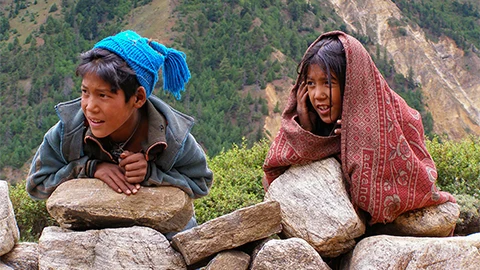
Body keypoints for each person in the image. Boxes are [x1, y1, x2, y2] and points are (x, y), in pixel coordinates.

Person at [26, 30, 213, 234]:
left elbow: (200, 183)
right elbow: (37, 184)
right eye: (85, 92)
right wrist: (90, 168)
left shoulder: (171, 136)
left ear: (138, 98)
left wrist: (150, 174)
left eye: (103, 95)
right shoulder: (70, 131)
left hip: (165, 240)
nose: (89, 107)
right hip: (93, 240)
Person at [262, 31, 456, 226]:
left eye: (328, 83)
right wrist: (305, 130)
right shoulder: (307, 119)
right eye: (311, 84)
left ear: (352, 83)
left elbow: (412, 186)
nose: (318, 94)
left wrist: (360, 137)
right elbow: (272, 177)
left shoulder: (392, 114)